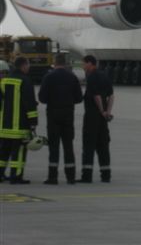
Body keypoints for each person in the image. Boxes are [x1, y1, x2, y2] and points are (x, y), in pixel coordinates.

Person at [38, 53, 83, 184]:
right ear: (65, 63)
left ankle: (53, 177)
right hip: (68, 115)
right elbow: (79, 98)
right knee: (68, 146)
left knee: (54, 147)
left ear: (55, 63)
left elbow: (42, 98)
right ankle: (71, 177)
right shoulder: (72, 77)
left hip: (53, 115)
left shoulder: (48, 77)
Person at [0, 57, 38, 184]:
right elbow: (30, 104)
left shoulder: (4, 81)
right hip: (20, 125)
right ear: (23, 66)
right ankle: (16, 176)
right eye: (28, 65)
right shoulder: (25, 81)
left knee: (4, 152)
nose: (28, 68)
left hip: (5, 126)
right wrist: (33, 122)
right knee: (19, 152)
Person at [79, 55, 114, 183]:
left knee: (89, 146)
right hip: (103, 119)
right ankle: (106, 175)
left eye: (84, 64)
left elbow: (96, 96)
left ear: (90, 63)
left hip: (92, 116)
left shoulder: (92, 76)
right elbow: (111, 96)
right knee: (103, 146)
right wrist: (107, 113)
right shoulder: (105, 76)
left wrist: (101, 111)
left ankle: (86, 176)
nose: (83, 66)